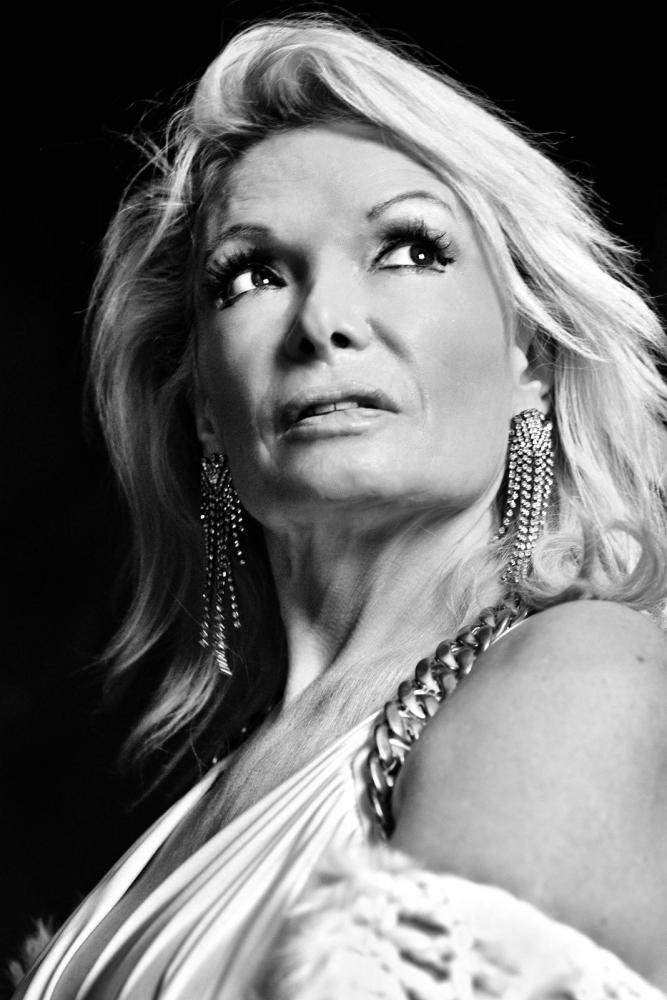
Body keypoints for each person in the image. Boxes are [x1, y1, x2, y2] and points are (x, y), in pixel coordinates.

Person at [11, 14, 667, 999]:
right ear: (203, 408)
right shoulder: (214, 788)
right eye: (252, 274)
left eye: (407, 250)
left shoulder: (577, 674)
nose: (322, 321)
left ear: (526, 357)